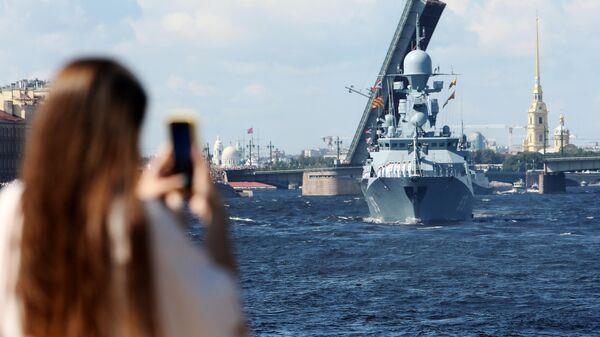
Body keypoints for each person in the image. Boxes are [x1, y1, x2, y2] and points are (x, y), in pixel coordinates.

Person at [0, 58, 247, 337]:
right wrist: (214, 219)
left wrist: (145, 204)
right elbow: (226, 327)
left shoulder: (10, 207)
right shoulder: (143, 224)